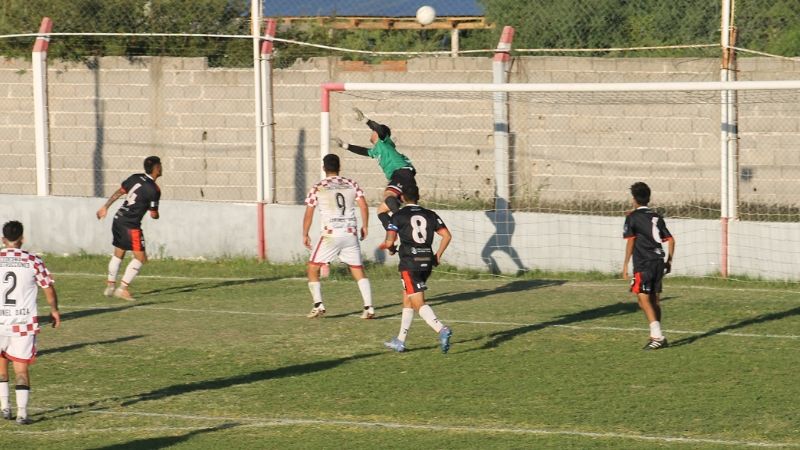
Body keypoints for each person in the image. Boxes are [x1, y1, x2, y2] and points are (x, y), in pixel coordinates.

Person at [0, 221, 60, 425]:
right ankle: (22, 414)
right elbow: (48, 287)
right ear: (22, 239)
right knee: (21, 369)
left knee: (1, 365)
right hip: (23, 324)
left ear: (3, 240)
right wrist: (54, 310)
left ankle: (4, 407)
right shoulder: (33, 260)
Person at [380, 186, 453, 353]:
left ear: (402, 198)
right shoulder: (430, 214)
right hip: (426, 262)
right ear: (418, 196)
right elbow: (447, 236)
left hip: (410, 264)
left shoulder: (398, 215)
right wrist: (437, 255)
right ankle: (400, 341)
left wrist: (391, 249)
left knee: (418, 303)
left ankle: (441, 329)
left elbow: (390, 242)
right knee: (408, 299)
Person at [303, 154, 374, 319]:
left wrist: (305, 234)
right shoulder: (351, 183)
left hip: (331, 234)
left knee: (313, 268)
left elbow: (309, 213)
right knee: (357, 269)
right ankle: (369, 307)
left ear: (323, 168)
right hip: (350, 233)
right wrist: (365, 226)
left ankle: (318, 305)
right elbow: (363, 205)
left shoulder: (318, 187)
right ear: (339, 167)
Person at [333, 107, 416, 233]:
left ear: (378, 134)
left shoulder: (384, 142)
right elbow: (363, 151)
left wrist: (364, 120)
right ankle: (394, 235)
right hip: (403, 175)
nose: (371, 133)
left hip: (401, 172)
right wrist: (344, 145)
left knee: (388, 195)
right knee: (382, 210)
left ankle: (403, 222)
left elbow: (380, 129)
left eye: (373, 131)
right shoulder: (376, 150)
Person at [96, 156, 162, 301]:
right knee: (141, 258)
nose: (161, 168)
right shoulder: (154, 189)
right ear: (156, 168)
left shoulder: (135, 177)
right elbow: (153, 214)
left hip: (118, 219)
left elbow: (119, 192)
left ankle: (110, 286)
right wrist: (155, 213)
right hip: (131, 225)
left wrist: (105, 207)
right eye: (160, 165)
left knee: (118, 253)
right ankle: (123, 289)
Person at [622, 182, 675, 350]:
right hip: (658, 261)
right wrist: (669, 261)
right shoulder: (656, 216)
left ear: (634, 199)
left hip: (644, 263)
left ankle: (658, 337)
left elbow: (631, 241)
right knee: (654, 300)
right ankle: (656, 335)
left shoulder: (632, 217)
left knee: (643, 300)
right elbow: (671, 240)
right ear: (648, 198)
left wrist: (625, 264)